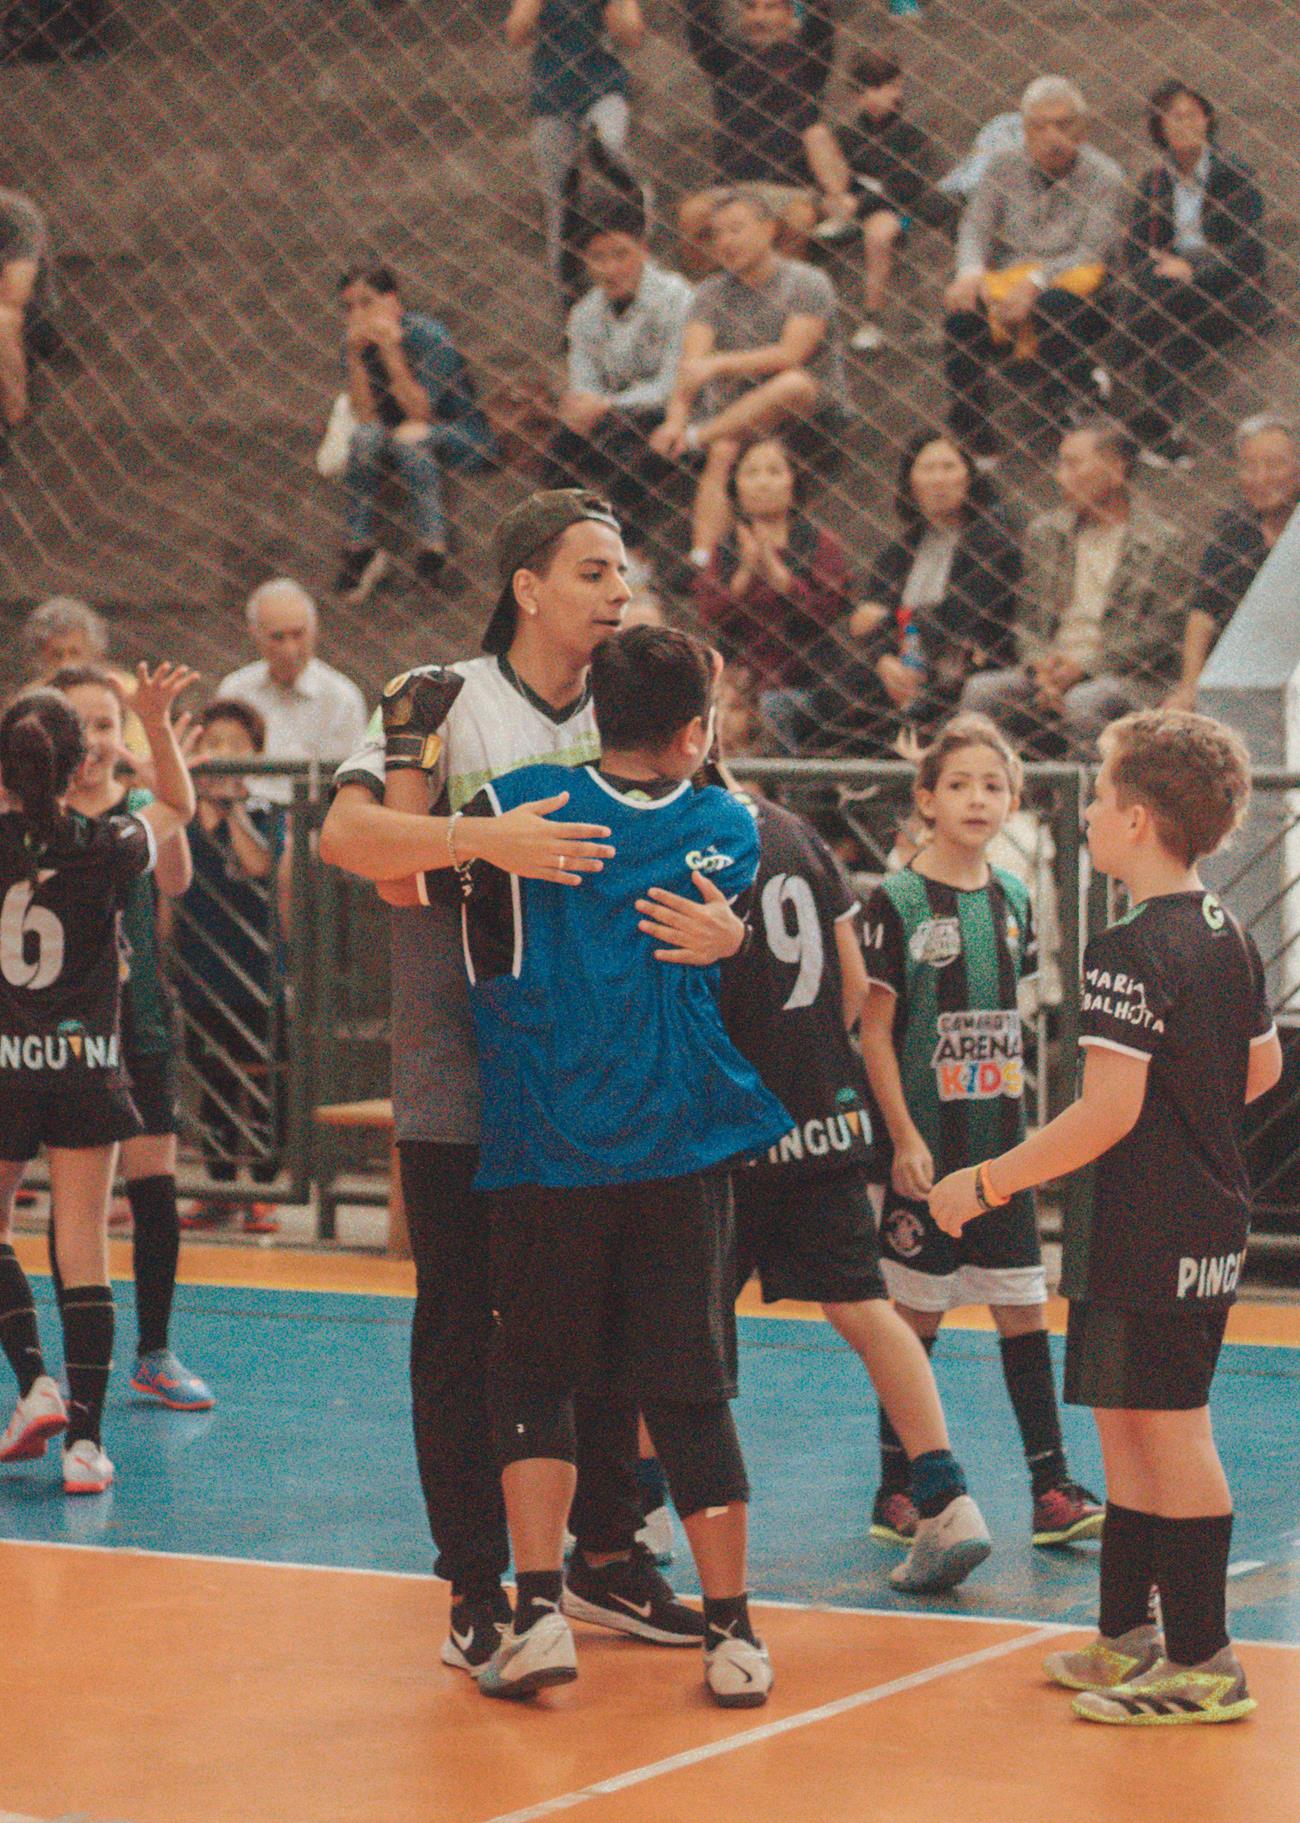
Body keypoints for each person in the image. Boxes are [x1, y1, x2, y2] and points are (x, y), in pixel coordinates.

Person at [320, 488, 744, 1679]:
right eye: (599, 573)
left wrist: (732, 936)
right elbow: (352, 844)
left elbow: (713, 856)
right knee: (468, 1328)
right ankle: (476, 1588)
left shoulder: (643, 699)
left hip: (607, 1086)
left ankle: (605, 1555)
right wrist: (480, 841)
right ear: (528, 587)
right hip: (467, 1075)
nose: (622, 595)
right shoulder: (435, 698)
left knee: (609, 1331)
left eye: (626, 574)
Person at [456, 625, 787, 1706]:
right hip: (676, 1148)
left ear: (592, 712)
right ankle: (733, 1634)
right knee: (688, 1385)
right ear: (696, 730)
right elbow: (720, 892)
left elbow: (398, 855)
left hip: (547, 1142)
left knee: (536, 1374)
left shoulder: (525, 803)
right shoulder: (726, 825)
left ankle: (541, 1608)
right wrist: (733, 941)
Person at [931, 710, 1282, 1725]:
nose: (1084, 812)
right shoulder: (1225, 930)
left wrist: (984, 1181)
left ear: (1131, 817)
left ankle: (1207, 1656)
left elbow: (1106, 1110)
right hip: (1178, 1217)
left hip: (1152, 1224)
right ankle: (1127, 1632)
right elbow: (1258, 1065)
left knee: (1168, 1429)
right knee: (1130, 1423)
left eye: (1093, 796)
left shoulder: (1127, 946)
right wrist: (1195, 1116)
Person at [721, 785, 993, 1593]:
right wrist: (811, 1063)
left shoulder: (672, 826)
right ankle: (946, 1496)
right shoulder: (795, 831)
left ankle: (643, 1509)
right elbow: (850, 984)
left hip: (728, 1122)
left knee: (680, 1318)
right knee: (868, 1309)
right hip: (823, 1113)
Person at [859, 715, 1104, 1549]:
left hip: (999, 1149)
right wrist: (900, 1136)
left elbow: (1013, 1024)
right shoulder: (893, 901)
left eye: (993, 785)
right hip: (927, 1148)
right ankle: (898, 1489)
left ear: (1014, 800)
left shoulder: (1014, 896)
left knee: (1022, 1308)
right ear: (925, 798)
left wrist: (1029, 1133)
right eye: (958, 784)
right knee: (915, 1318)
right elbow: (876, 1034)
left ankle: (1051, 1487)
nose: (977, 798)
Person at [0, 664, 196, 1495]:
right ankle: (86, 1443)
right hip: (87, 1066)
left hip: (6, 1063)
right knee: (84, 1245)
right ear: (84, 763)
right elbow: (179, 810)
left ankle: (34, 1381)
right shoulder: (110, 843)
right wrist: (154, 723)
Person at [47, 665, 213, 1407]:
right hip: (63, 1032)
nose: (94, 741)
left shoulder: (142, 808)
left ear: (126, 734)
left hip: (139, 1020)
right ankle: (73, 1350)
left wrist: (160, 774)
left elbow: (175, 880)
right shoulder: (35, 819)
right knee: (75, 1203)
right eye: (77, 728)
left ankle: (155, 1348)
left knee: (154, 1188)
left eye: (107, 724)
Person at [961, 419, 1183, 754]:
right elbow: (1027, 621)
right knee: (982, 691)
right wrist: (1041, 668)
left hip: (1125, 676)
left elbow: (1160, 634)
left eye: (1073, 464)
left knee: (1086, 701)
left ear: (1116, 469)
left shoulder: (1162, 541)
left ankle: (1085, 803)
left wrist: (1085, 668)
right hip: (1051, 670)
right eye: (1059, 463)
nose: (1060, 476)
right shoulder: (1046, 534)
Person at [793, 430, 1020, 757]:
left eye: (948, 468)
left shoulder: (991, 544)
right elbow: (867, 623)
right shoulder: (897, 553)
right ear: (910, 482)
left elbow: (963, 616)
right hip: (895, 665)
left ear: (969, 478)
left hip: (954, 662)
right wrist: (885, 660)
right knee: (824, 692)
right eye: (927, 469)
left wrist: (888, 620)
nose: (938, 480)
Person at [651, 189, 847, 565]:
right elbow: (691, 366)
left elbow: (790, 355)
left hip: (807, 409)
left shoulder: (808, 282)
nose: (725, 242)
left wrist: (719, 364)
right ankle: (704, 560)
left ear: (770, 229)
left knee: (792, 384)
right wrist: (675, 421)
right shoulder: (709, 292)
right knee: (725, 448)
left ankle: (699, 437)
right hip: (738, 416)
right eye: (716, 234)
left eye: (736, 229)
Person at [943, 77, 1124, 457]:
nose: (1052, 136)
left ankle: (1073, 408)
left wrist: (1036, 282)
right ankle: (972, 433)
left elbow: (1093, 252)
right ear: (1024, 129)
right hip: (1006, 282)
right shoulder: (1001, 165)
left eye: (1063, 124)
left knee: (1056, 305)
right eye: (1039, 126)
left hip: (1077, 287)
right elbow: (975, 226)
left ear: (1083, 127)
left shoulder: (1106, 176)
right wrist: (970, 272)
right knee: (960, 313)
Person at [175, 699, 288, 1234]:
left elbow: (258, 862)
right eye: (211, 743)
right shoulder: (182, 816)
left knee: (265, 1081)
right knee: (213, 1076)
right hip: (202, 971)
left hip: (257, 972)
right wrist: (203, 808)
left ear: (256, 754)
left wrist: (234, 808)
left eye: (235, 746)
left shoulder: (270, 814)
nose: (223, 754)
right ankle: (217, 1189)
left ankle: (263, 1192)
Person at [1124, 82, 1268, 470]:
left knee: (1154, 303)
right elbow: (1136, 251)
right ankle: (1168, 435)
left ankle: (1121, 380)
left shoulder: (1233, 174)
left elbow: (1248, 254)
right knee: (1158, 305)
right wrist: (1164, 269)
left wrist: (1193, 269)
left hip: (1228, 290)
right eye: (1173, 117)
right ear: (1159, 128)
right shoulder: (1154, 182)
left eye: (1191, 114)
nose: (1183, 124)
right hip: (1168, 295)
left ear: (1207, 119)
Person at [334, 264, 496, 603]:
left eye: (367, 303)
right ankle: (359, 547)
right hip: (397, 435)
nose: (358, 315)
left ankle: (433, 550)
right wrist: (355, 357)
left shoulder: (427, 335)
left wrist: (392, 351)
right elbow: (365, 415)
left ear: (392, 302)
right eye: (349, 308)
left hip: (459, 432)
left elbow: (421, 412)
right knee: (364, 439)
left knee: (412, 442)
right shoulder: (356, 343)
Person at [544, 202, 693, 550]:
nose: (610, 268)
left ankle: (632, 554)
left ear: (643, 250)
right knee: (559, 447)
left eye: (620, 254)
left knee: (622, 448)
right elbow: (583, 382)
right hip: (610, 416)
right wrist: (584, 405)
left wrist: (606, 404)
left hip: (671, 411)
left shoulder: (677, 297)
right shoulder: (584, 313)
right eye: (597, 257)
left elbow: (672, 384)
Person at [678, 0, 842, 275]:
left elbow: (821, 19)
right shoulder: (725, 60)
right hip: (733, 188)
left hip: (790, 190)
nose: (759, 17)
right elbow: (699, 22)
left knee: (799, 219)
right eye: (751, 8)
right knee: (691, 214)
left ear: (789, 15)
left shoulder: (807, 60)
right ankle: (706, 297)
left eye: (770, 8)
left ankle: (785, 299)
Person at [691, 435, 852, 704]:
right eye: (751, 473)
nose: (763, 482)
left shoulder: (819, 541)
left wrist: (776, 570)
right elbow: (710, 612)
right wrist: (747, 569)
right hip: (740, 672)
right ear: (737, 485)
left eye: (774, 472)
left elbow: (828, 609)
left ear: (793, 481)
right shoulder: (726, 547)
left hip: (810, 674)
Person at [506, 0, 646, 301]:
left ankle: (639, 200)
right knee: (558, 198)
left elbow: (632, 36)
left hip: (604, 86)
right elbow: (516, 33)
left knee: (608, 147)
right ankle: (567, 295)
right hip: (552, 94)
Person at [816, 51, 947, 353]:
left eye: (880, 88)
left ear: (896, 88)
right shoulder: (847, 135)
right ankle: (842, 217)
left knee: (880, 232)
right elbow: (839, 177)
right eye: (863, 90)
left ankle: (871, 319)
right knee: (818, 138)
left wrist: (858, 204)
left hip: (899, 214)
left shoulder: (910, 135)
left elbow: (903, 187)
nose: (872, 97)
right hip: (850, 207)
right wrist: (841, 199)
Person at [1166, 414, 1300, 709]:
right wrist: (1191, 688)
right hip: (1239, 668)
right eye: (1249, 467)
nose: (1261, 478)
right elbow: (1203, 612)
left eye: (1275, 465)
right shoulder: (1233, 527)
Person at [218, 578, 368, 805]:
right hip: (244, 817)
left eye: (298, 634)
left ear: (315, 628)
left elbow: (347, 788)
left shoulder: (342, 698)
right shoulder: (235, 691)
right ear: (255, 634)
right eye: (277, 637)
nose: (290, 649)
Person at [0, 186, 57, 428]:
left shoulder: (14, 213)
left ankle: (12, 415)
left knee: (1, 318)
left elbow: (15, 294)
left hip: (30, 317)